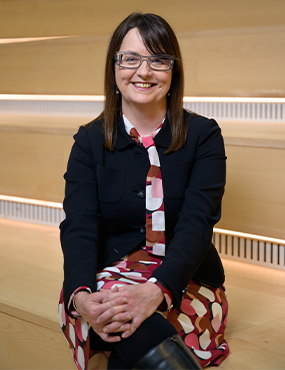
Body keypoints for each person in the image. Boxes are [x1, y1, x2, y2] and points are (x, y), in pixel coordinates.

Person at [58, 12, 229, 370]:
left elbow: (197, 223)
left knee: (126, 336)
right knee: (113, 313)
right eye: (131, 58)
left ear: (173, 70)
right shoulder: (89, 141)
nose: (144, 72)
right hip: (108, 274)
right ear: (114, 67)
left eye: (158, 60)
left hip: (187, 275)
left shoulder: (204, 137)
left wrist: (157, 290)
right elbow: (80, 225)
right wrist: (81, 295)